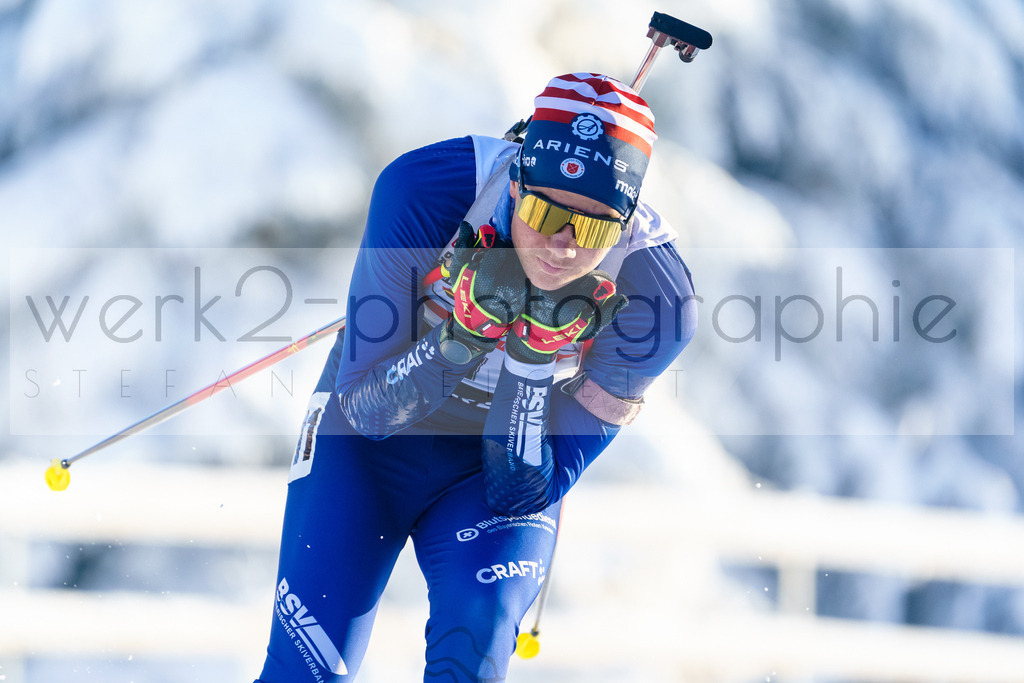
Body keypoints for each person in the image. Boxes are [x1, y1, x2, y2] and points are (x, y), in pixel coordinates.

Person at [255, 72, 698, 682]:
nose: (563, 246)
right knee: (308, 671)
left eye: (595, 228)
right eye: (543, 211)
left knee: (475, 640)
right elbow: (365, 413)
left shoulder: (660, 303)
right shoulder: (427, 191)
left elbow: (523, 490)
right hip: (364, 451)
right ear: (516, 181)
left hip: (490, 473)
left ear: (625, 223)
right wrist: (463, 336)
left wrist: (532, 355)